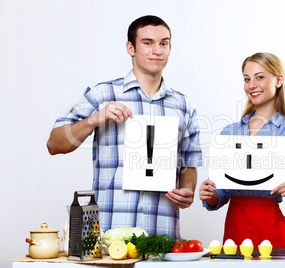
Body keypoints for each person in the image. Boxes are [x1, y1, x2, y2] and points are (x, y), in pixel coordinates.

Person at [47, 15, 202, 239]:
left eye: (164, 43)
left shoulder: (183, 105)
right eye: (147, 43)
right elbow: (54, 144)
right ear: (131, 48)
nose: (157, 50)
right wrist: (94, 120)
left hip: (162, 236)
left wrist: (187, 189)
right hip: (111, 235)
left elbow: (189, 164)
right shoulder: (103, 94)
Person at [199, 52, 285, 248]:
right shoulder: (229, 133)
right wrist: (210, 194)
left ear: (278, 80)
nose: (251, 85)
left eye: (259, 77)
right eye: (247, 79)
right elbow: (221, 193)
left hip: (272, 232)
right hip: (235, 231)